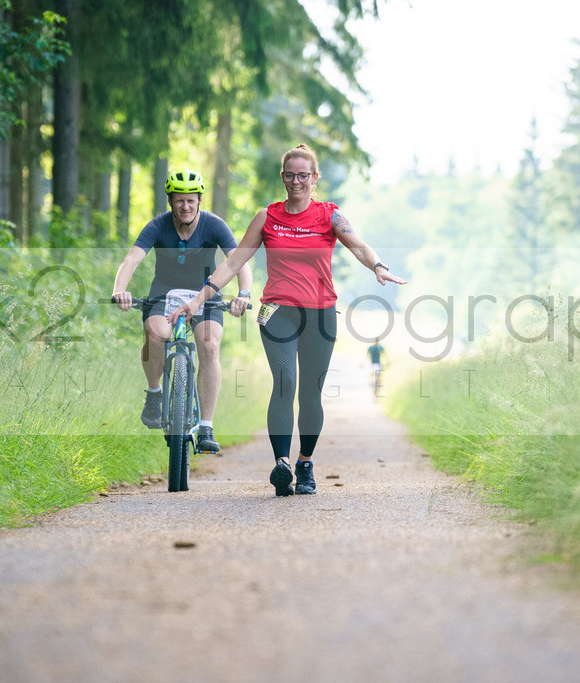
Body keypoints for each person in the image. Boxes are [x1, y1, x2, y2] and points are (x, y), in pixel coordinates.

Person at [169, 144, 406, 496]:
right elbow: (234, 262)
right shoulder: (267, 217)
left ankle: (305, 464)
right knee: (285, 382)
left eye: (303, 175)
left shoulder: (329, 215)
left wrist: (378, 266)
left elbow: (357, 244)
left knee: (311, 395)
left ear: (314, 178)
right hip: (277, 311)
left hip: (321, 312)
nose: (297, 181)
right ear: (283, 177)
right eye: (291, 175)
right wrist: (198, 298)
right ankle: (281, 464)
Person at [112, 168, 252, 453]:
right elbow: (131, 260)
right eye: (179, 201)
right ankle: (154, 393)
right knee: (155, 334)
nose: (185, 206)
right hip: (165, 293)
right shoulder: (158, 225)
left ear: (199, 200)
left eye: (190, 200)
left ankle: (206, 427)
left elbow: (239, 262)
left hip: (206, 293)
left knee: (210, 345)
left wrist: (244, 294)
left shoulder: (214, 225)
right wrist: (119, 290)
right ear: (170, 201)